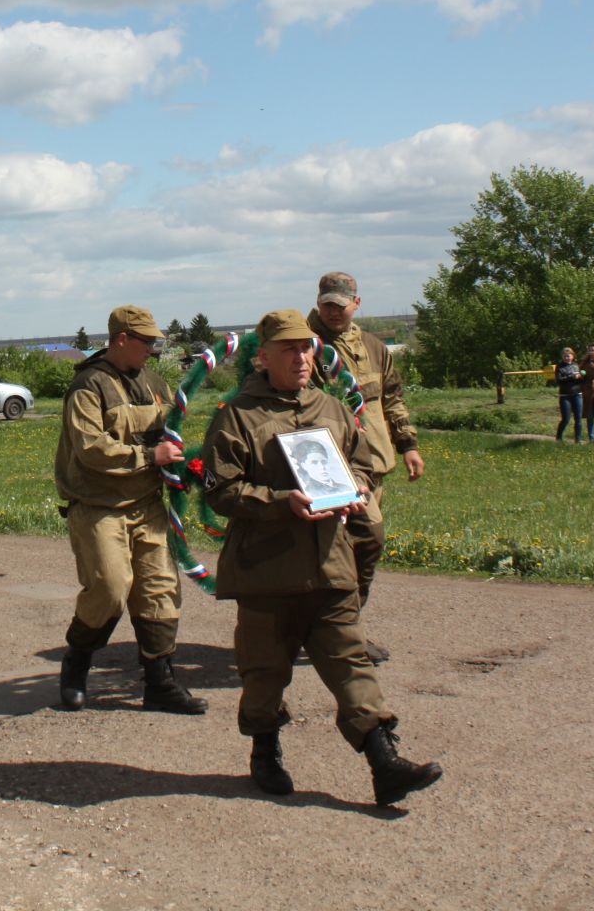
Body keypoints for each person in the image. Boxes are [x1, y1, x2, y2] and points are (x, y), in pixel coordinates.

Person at [202, 309, 442, 806]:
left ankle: (384, 762)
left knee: (351, 662)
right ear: (263, 356)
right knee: (265, 675)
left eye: (307, 348)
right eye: (289, 349)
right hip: (269, 572)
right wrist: (277, 501)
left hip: (331, 563)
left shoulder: (331, 410)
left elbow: (359, 461)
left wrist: (357, 484)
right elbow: (221, 491)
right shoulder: (237, 416)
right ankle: (264, 751)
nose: (301, 357)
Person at [53, 305, 207, 715]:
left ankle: (160, 682)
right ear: (122, 339)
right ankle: (77, 662)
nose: (153, 350)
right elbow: (91, 450)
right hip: (99, 505)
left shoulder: (155, 382)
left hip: (146, 504)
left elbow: (168, 433)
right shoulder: (89, 386)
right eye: (147, 342)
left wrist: (184, 462)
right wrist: (149, 456)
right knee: (110, 587)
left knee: (159, 588)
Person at [309, 271, 424, 663]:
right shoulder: (306, 346)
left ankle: (341, 630)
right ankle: (336, 634)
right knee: (355, 545)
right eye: (327, 304)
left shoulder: (374, 347)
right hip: (328, 467)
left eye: (340, 305)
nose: (333, 311)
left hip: (373, 462)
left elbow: (392, 398)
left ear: (356, 304)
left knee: (359, 550)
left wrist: (407, 444)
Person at [554, 348, 584, 443]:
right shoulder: (560, 367)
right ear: (562, 357)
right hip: (565, 395)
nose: (567, 357)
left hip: (577, 394)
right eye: (565, 356)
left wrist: (581, 377)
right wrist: (571, 376)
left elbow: (581, 380)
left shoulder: (576, 365)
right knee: (566, 418)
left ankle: (578, 439)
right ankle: (559, 437)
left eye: (568, 355)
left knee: (578, 418)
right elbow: (559, 380)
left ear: (573, 356)